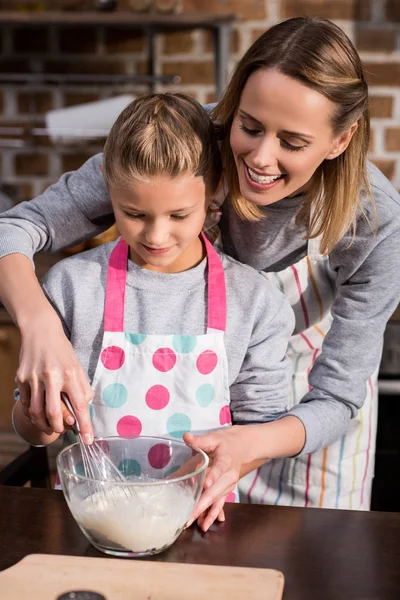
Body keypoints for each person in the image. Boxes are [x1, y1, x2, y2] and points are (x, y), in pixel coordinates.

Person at [1, 16, 399, 513]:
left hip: (306, 399)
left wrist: (250, 443)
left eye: (293, 143)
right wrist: (39, 326)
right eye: (248, 126)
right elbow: (12, 231)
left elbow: (337, 397)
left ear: (341, 140)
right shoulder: (179, 146)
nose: (260, 157)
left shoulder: (376, 219)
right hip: (191, 405)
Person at [11, 92, 304, 531]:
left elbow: (260, 431)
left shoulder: (255, 302)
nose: (156, 234)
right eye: (134, 213)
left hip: (202, 519)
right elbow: (31, 429)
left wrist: (209, 483)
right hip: (93, 521)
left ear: (212, 193)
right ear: (108, 191)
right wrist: (40, 418)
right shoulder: (72, 286)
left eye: (179, 214)